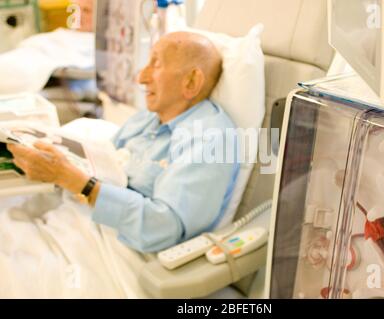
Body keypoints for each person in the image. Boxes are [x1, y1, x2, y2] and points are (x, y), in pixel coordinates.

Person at [7, 31, 239, 254]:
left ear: (191, 81)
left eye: (156, 64)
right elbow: (106, 163)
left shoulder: (210, 138)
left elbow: (164, 228)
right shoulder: (151, 117)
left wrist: (71, 178)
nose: (142, 77)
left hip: (120, 249)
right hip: (78, 218)